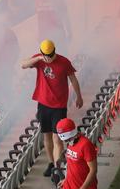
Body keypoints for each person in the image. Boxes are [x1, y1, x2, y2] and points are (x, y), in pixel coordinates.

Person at [19, 39, 83, 180]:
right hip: (43, 104)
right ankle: (51, 163)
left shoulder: (64, 62)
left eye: (50, 55)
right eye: (45, 55)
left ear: (54, 51)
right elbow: (23, 64)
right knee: (46, 135)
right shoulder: (39, 60)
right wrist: (39, 58)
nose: (48, 58)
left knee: (57, 138)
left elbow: (73, 79)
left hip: (59, 106)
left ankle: (57, 167)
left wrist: (79, 96)